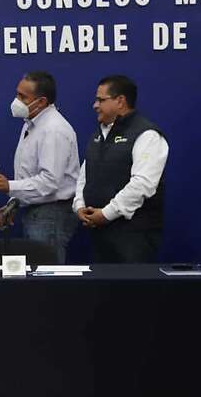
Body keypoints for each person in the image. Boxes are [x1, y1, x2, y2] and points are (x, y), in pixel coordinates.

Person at [73, 75, 169, 263]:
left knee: (130, 292)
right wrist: (79, 206)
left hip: (133, 237)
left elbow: (142, 184)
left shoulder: (147, 135)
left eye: (101, 100)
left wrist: (106, 214)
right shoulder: (99, 134)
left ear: (120, 101)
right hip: (98, 233)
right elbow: (85, 174)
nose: (95, 105)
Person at [0, 71, 80, 264]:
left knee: (47, 276)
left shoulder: (54, 129)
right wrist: (15, 201)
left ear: (42, 102)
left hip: (51, 215)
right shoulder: (32, 123)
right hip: (36, 211)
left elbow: (50, 181)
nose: (16, 101)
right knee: (36, 277)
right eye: (17, 94)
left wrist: (10, 187)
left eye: (23, 97)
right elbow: (30, 172)